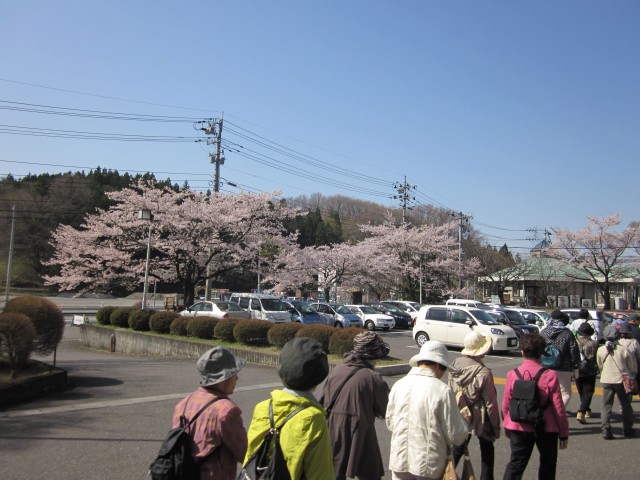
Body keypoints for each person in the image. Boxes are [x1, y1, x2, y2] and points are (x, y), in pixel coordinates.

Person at [243, 337, 334, 480]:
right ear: (319, 377)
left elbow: (250, 456)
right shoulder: (313, 418)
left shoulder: (263, 407)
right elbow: (321, 473)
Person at [386, 341, 468, 480]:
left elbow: (390, 422)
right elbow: (456, 434)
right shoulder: (442, 390)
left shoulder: (399, 385)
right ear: (437, 365)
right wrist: (464, 420)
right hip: (428, 465)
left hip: (399, 460)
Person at [318, 331, 390, 480]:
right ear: (374, 356)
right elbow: (387, 410)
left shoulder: (337, 370)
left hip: (331, 429)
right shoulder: (373, 378)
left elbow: (322, 399)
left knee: (335, 472)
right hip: (359, 431)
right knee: (370, 472)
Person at [171, 346, 248, 480]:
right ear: (225, 377)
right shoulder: (226, 411)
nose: (237, 378)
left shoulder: (184, 403)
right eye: (234, 373)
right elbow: (245, 453)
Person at [502, 333, 569, 480]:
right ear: (541, 353)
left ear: (522, 352)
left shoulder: (513, 374)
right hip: (545, 425)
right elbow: (558, 406)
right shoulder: (549, 374)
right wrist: (563, 432)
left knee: (516, 464)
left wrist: (507, 424)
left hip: (519, 424)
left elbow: (506, 403)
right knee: (547, 463)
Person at [449, 331, 501, 480]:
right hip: (480, 416)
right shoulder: (483, 372)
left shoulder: (454, 364)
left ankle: (447, 475)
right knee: (487, 450)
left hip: (459, 412)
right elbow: (490, 403)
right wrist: (495, 426)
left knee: (457, 448)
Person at [597, 329, 637, 439]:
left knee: (606, 405)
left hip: (606, 379)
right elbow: (632, 367)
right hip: (622, 380)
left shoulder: (600, 350)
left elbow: (600, 365)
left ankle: (606, 428)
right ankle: (628, 428)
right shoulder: (624, 350)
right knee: (625, 405)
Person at [540, 310, 580, 407]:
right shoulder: (567, 333)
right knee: (566, 393)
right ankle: (558, 411)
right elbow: (574, 351)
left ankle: (547, 411)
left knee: (546, 391)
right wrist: (576, 367)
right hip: (563, 367)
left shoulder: (544, 332)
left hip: (545, 366)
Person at [574, 322, 599, 423]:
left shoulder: (574, 342)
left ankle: (586, 409)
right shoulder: (594, 343)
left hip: (577, 369)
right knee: (588, 391)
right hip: (590, 370)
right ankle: (582, 411)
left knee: (581, 390)